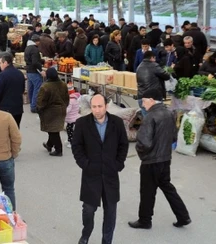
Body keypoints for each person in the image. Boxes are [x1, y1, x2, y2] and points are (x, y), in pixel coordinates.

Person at [128, 89, 191, 230]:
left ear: (151, 99)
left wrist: (143, 155)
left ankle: (145, 220)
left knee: (147, 191)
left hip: (151, 161)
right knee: (168, 187)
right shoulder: (169, 113)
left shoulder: (151, 117)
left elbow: (144, 142)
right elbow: (174, 137)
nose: (143, 104)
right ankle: (183, 216)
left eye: (144, 101)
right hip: (165, 158)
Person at [71, 94, 129, 244]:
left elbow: (123, 144)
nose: (97, 110)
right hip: (91, 175)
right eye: (94, 107)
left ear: (106, 106)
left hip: (110, 175)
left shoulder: (117, 123)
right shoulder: (82, 123)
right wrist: (85, 164)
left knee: (110, 213)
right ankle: (85, 235)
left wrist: (118, 164)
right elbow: (77, 147)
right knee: (88, 211)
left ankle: (107, 241)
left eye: (100, 106)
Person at [37, 67, 69, 157]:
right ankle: (49, 145)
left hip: (50, 112)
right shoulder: (63, 84)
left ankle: (59, 149)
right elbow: (67, 98)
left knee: (53, 131)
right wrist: (64, 106)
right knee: (53, 129)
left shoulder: (45, 87)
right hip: (61, 109)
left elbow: (41, 101)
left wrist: (39, 109)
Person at [0, 53, 26, 128]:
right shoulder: (20, 73)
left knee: (5, 131)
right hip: (18, 108)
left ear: (5, 63)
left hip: (5, 109)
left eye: (0, 63)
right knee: (15, 130)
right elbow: (22, 89)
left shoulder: (2, 75)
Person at [24, 35, 45, 114]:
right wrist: (41, 70)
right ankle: (34, 106)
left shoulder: (27, 48)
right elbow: (35, 62)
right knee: (37, 89)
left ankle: (31, 104)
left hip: (29, 71)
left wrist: (41, 60)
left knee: (31, 89)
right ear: (37, 41)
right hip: (34, 72)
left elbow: (30, 60)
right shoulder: (34, 49)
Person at [65, 84, 81, 149]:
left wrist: (62, 112)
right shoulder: (76, 99)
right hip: (74, 117)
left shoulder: (70, 101)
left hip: (71, 119)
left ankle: (71, 142)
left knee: (70, 130)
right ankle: (70, 140)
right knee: (70, 129)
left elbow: (68, 110)